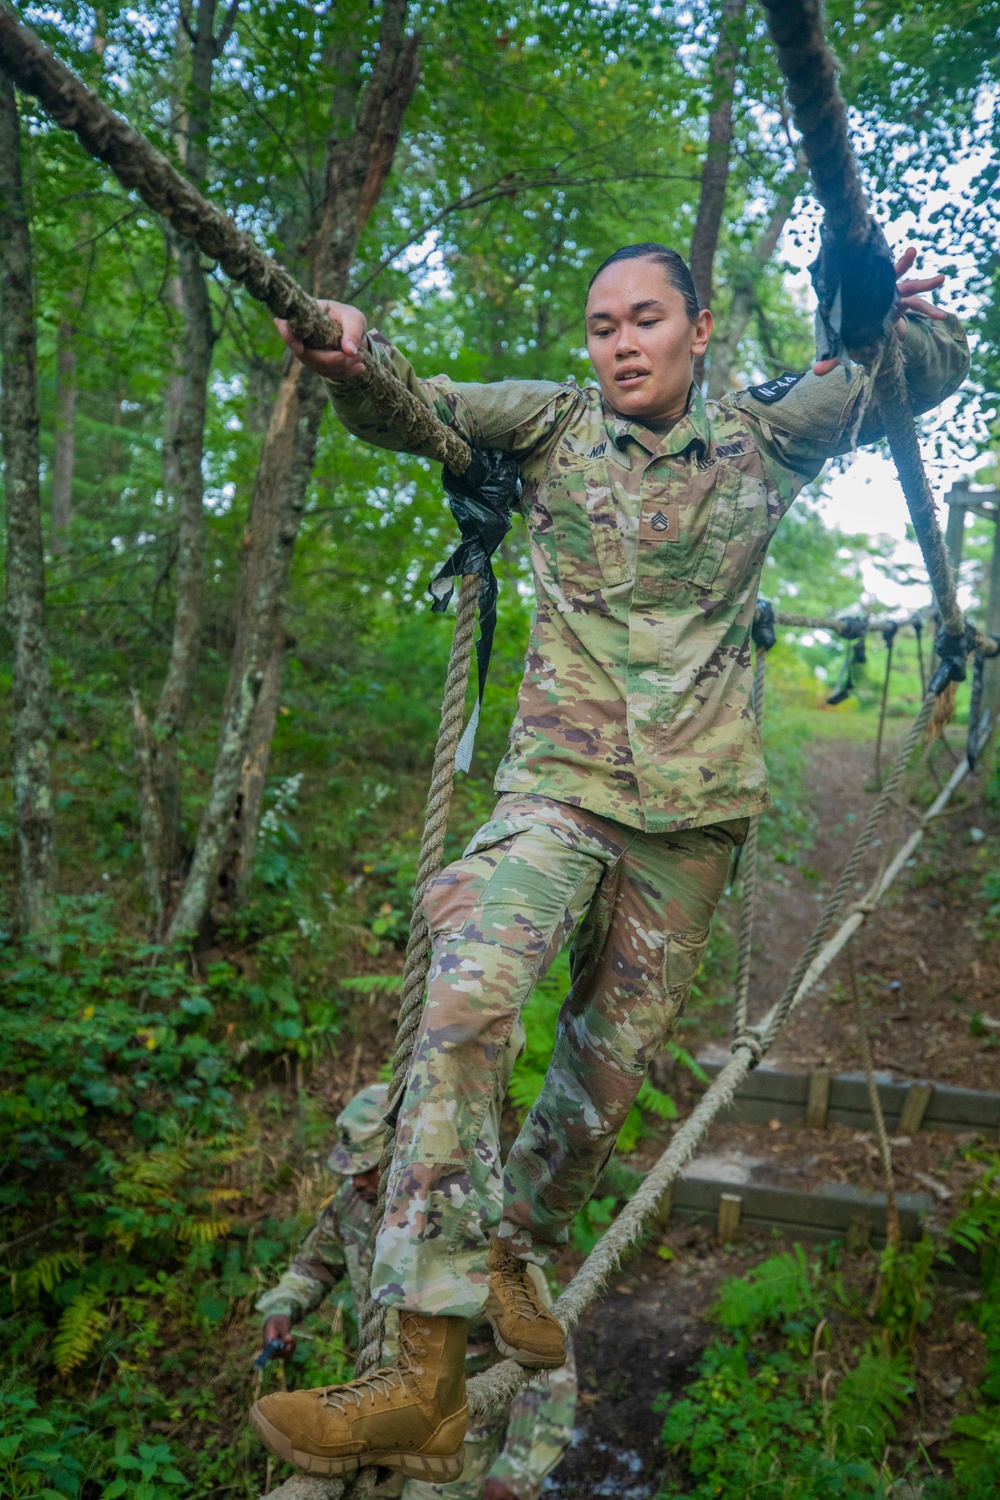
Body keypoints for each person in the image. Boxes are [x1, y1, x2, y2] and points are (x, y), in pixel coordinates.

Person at [250, 240, 968, 1481]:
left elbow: (917, 381)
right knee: (466, 1006)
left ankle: (514, 1247)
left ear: (697, 329)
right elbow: (411, 406)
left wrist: (886, 318)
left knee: (601, 1083)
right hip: (558, 794)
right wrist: (349, 356)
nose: (620, 343)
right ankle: (420, 1374)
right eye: (600, 326)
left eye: (644, 320)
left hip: (692, 821)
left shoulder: (766, 435)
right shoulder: (547, 426)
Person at [254, 1085, 576, 1499]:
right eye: (352, 1170)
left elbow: (544, 1353)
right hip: (379, 1412)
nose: (357, 1181)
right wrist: (281, 1308)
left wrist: (520, 1469)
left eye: (369, 1167)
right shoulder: (353, 1206)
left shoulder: (478, 1223)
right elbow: (313, 1265)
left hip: (461, 1429)